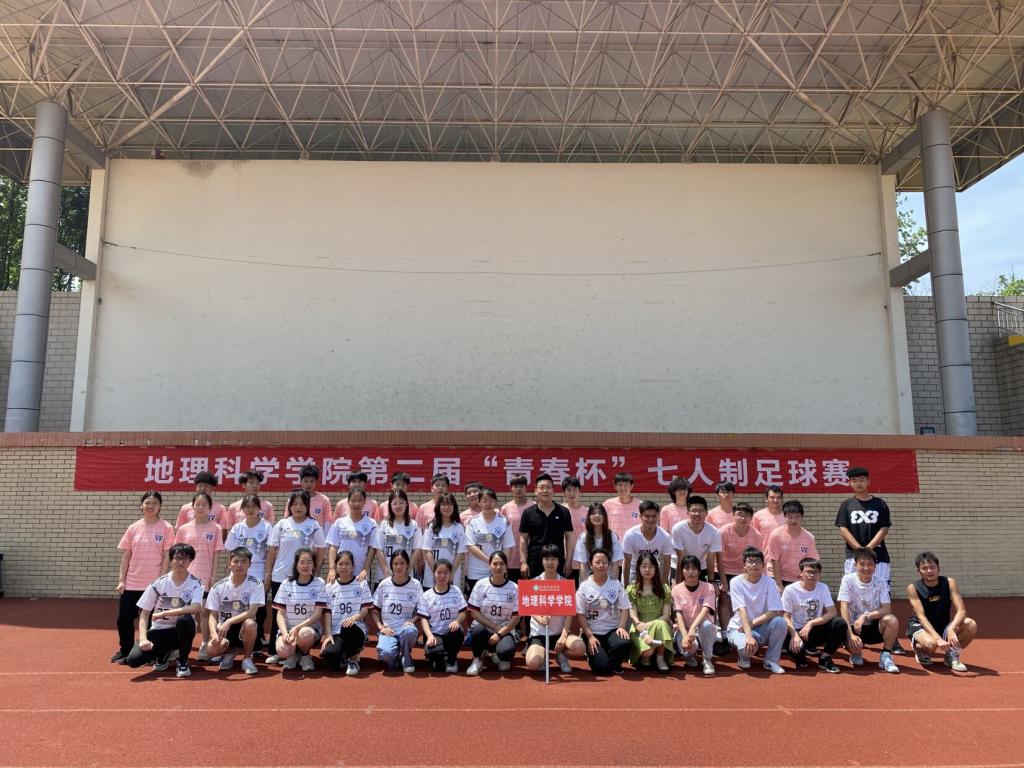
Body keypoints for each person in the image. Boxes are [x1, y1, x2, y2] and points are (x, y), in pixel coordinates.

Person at [112, 491, 174, 664]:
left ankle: (149, 653)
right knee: (124, 619)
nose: (150, 506)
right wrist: (122, 580)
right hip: (132, 582)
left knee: (150, 621)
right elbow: (126, 555)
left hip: (153, 584)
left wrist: (161, 580)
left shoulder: (166, 527)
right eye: (147, 503)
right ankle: (125, 649)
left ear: (160, 507)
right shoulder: (133, 528)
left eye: (154, 503)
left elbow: (167, 556)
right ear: (141, 506)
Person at [126, 542, 203, 678]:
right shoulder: (158, 583)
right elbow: (144, 614)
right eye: (177, 558)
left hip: (181, 632)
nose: (181, 562)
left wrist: (165, 613)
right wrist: (143, 639)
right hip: (159, 631)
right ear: (171, 560)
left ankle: (183, 660)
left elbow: (195, 607)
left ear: (190, 561)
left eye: (185, 558)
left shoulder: (196, 583)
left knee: (186, 620)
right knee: (133, 660)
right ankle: (163, 654)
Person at [265, 490, 326, 661]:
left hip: (304, 577)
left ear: (307, 506)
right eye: (294, 504)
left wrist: (316, 570)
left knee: (302, 614)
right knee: (279, 614)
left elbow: (321, 549)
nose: (298, 507)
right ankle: (276, 651)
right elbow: (272, 549)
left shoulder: (313, 525)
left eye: (302, 504)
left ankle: (301, 651)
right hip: (281, 576)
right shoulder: (282, 524)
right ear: (289, 506)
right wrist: (268, 573)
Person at [905, 551, 978, 672]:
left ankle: (951, 655)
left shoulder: (949, 583)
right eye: (924, 568)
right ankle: (920, 649)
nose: (929, 571)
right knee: (931, 644)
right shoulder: (913, 588)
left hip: (942, 624)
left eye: (932, 567)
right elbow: (921, 617)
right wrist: (938, 639)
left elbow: (961, 610)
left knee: (970, 624)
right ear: (918, 571)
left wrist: (951, 629)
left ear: (938, 568)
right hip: (920, 625)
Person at [173, 492, 224, 661]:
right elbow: (177, 554)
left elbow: (216, 555)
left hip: (204, 577)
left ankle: (204, 644)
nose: (201, 507)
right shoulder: (183, 529)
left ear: (210, 508)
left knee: (204, 613)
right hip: (185, 577)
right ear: (192, 507)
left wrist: (214, 576)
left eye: (204, 505)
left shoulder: (216, 528)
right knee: (183, 613)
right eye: (198, 504)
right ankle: (179, 646)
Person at [837, 548, 901, 673]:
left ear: (875, 566)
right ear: (855, 565)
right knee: (856, 648)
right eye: (862, 564)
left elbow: (887, 609)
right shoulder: (848, 580)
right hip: (855, 627)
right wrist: (850, 634)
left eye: (870, 564)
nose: (866, 568)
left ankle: (886, 655)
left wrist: (866, 616)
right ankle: (855, 653)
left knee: (892, 620)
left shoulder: (881, 582)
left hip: (873, 626)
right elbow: (844, 607)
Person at [224, 494, 274, 653]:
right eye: (247, 507)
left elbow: (271, 552)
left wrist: (268, 573)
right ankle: (236, 641)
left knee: (259, 608)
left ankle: (256, 642)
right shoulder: (237, 528)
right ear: (242, 509)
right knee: (239, 605)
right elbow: (230, 552)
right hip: (239, 571)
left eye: (254, 506)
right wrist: (228, 573)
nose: (251, 510)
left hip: (259, 571)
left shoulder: (267, 527)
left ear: (260, 508)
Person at [524, 544, 585, 674]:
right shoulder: (534, 582)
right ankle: (543, 656)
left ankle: (561, 655)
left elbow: (569, 614)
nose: (550, 563)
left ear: (559, 561)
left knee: (579, 647)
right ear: (542, 561)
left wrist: (563, 636)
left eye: (553, 559)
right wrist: (538, 618)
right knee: (533, 663)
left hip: (559, 633)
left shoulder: (566, 584)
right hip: (540, 634)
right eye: (546, 559)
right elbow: (528, 608)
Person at [726, 547, 788, 674]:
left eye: (758, 561)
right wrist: (748, 634)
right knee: (746, 648)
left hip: (759, 627)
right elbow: (741, 609)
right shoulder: (736, 582)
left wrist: (752, 624)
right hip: (738, 628)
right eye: (750, 561)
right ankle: (743, 657)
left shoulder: (769, 582)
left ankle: (771, 660)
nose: (754, 565)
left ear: (763, 565)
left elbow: (774, 611)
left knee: (780, 622)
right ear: (744, 565)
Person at [205, 546, 264, 675]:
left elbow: (252, 612)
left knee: (250, 623)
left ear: (250, 564)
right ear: (229, 564)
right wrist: (214, 634)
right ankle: (229, 651)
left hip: (243, 627)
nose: (239, 565)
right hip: (224, 629)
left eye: (243, 561)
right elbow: (212, 615)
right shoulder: (218, 587)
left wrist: (229, 621)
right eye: (236, 561)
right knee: (211, 650)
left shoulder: (256, 584)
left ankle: (247, 659)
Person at [781, 558, 845, 673]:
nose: (812, 575)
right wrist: (794, 635)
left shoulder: (823, 588)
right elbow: (785, 616)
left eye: (815, 572)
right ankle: (800, 658)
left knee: (839, 623)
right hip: (797, 631)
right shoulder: (790, 590)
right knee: (783, 630)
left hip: (815, 630)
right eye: (808, 572)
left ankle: (825, 658)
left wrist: (811, 623)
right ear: (801, 573)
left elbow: (832, 612)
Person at [575, 548, 631, 675]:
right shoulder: (584, 586)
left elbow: (625, 607)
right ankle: (596, 656)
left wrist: (621, 627)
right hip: (593, 633)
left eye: (605, 562)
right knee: (602, 669)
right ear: (590, 565)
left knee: (624, 643)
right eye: (598, 562)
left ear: (609, 565)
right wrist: (589, 636)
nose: (601, 565)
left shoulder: (615, 584)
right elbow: (580, 613)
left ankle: (615, 663)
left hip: (612, 630)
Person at [272, 548, 327, 672]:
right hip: (288, 629)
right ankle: (292, 656)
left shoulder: (319, 583)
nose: (305, 566)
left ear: (314, 565)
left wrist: (297, 628)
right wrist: (285, 633)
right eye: (302, 562)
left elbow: (318, 614)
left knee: (304, 634)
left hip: (310, 630)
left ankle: (305, 656)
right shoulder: (286, 583)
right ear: (296, 565)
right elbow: (280, 614)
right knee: (282, 650)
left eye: (309, 562)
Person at [320, 550, 373, 676]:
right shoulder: (330, 586)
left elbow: (365, 608)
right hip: (337, 631)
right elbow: (327, 613)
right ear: (336, 566)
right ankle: (344, 656)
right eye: (340, 564)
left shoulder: (361, 583)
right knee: (328, 654)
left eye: (347, 564)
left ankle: (353, 658)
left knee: (347, 626)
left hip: (355, 629)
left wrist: (355, 617)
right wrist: (328, 635)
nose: (344, 567)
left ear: (353, 567)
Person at [466, 551, 519, 676]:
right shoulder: (480, 585)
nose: (498, 567)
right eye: (495, 564)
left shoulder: (515, 588)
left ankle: (497, 653)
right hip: (484, 627)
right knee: (477, 630)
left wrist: (500, 634)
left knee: (505, 660)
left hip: (504, 629)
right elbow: (474, 613)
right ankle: (477, 659)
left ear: (506, 566)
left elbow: (515, 618)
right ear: (489, 565)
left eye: (502, 564)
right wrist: (495, 627)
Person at [372, 549, 423, 673]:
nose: (398, 567)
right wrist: (381, 628)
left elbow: (422, 609)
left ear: (407, 565)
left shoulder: (415, 585)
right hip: (389, 630)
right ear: (391, 565)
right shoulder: (384, 584)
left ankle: (406, 656)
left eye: (402, 563)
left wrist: (412, 620)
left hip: (405, 629)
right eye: (395, 563)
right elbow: (374, 610)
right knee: (386, 654)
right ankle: (395, 653)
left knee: (409, 631)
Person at [518, 473, 574, 579]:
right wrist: (523, 562)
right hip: (534, 562)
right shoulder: (528, 513)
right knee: (534, 588)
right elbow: (523, 539)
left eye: (548, 487)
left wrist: (569, 561)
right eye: (542, 487)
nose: (545, 490)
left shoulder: (564, 512)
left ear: (553, 491)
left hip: (557, 561)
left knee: (557, 588)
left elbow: (569, 537)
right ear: (535, 491)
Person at [417, 559, 468, 673]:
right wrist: (429, 636)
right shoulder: (427, 595)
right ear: (434, 573)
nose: (442, 576)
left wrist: (457, 621)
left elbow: (462, 613)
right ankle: (438, 657)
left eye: (445, 573)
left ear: (450, 574)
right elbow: (424, 619)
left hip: (451, 633)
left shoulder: (456, 591)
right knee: (436, 664)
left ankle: (452, 659)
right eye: (439, 572)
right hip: (435, 634)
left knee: (457, 632)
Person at [717, 502, 762, 631]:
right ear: (733, 515)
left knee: (742, 601)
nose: (743, 518)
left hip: (745, 572)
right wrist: (723, 580)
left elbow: (756, 558)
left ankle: (740, 629)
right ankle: (725, 632)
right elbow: (718, 558)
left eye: (746, 515)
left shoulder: (756, 535)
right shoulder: (723, 531)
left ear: (751, 518)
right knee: (724, 598)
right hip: (724, 569)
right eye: (739, 514)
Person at [626, 552, 674, 672]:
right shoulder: (632, 589)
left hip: (658, 625)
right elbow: (633, 616)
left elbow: (666, 616)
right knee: (647, 652)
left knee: (662, 624)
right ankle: (647, 655)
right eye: (644, 566)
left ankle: (660, 658)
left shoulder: (664, 589)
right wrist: (641, 627)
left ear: (656, 568)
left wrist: (648, 624)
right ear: (638, 568)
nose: (647, 570)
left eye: (651, 566)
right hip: (639, 628)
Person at [672, 555, 718, 675]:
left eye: (694, 568)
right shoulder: (676, 590)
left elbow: (705, 610)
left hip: (702, 627)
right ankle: (689, 656)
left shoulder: (708, 588)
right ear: (682, 570)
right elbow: (678, 614)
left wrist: (693, 627)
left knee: (707, 626)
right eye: (687, 568)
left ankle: (707, 660)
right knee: (690, 646)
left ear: (699, 571)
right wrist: (685, 635)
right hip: (684, 628)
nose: (690, 572)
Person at [465, 487, 515, 593]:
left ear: (496, 502)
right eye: (484, 501)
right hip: (476, 570)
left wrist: (500, 565)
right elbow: (470, 546)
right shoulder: (472, 522)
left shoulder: (503, 522)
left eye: (491, 501)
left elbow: (507, 546)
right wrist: (490, 561)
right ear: (479, 503)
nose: (488, 504)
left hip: (498, 569)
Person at [325, 487, 378, 585]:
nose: (356, 504)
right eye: (353, 501)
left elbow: (372, 549)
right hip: (341, 572)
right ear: (348, 502)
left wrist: (365, 569)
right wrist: (332, 569)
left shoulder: (371, 523)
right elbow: (333, 547)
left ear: (364, 502)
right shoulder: (339, 522)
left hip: (360, 574)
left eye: (360, 501)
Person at [764, 500, 819, 591]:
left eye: (797, 517)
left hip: (799, 578)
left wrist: (815, 584)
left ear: (802, 517)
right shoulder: (776, 535)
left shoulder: (809, 537)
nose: (794, 520)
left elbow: (812, 562)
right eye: (790, 517)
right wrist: (779, 584)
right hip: (778, 576)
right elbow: (774, 561)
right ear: (784, 517)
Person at [373, 489, 424, 585]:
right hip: (385, 575)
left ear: (406, 504)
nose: (398, 506)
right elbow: (379, 549)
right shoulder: (384, 525)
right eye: (395, 503)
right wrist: (386, 570)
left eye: (401, 503)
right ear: (390, 506)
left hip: (406, 575)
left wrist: (408, 570)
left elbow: (416, 550)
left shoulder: (413, 525)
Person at [670, 494, 722, 584]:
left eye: (701, 510)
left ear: (706, 513)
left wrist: (711, 581)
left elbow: (710, 559)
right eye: (694, 511)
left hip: (701, 567)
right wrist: (678, 583)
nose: (697, 514)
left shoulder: (714, 532)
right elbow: (681, 557)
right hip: (680, 566)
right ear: (687, 512)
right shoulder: (678, 529)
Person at [420, 492, 467, 590]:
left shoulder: (459, 527)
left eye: (449, 504)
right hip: (432, 576)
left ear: (454, 507)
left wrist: (451, 573)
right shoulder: (431, 527)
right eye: (443, 504)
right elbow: (427, 551)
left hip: (452, 576)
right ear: (438, 507)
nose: (446, 507)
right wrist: (436, 572)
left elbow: (460, 553)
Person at [621, 500, 672, 584]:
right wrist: (626, 585)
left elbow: (667, 560)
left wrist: (664, 583)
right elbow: (627, 560)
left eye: (654, 516)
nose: (650, 519)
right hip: (634, 570)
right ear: (640, 516)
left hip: (654, 570)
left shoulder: (665, 536)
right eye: (647, 516)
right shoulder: (630, 534)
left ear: (658, 516)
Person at [572, 503, 624, 580]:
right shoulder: (583, 537)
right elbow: (583, 565)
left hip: (608, 579)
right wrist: (585, 584)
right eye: (593, 513)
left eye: (600, 513)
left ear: (604, 517)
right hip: (590, 579)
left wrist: (613, 584)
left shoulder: (612, 536)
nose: (597, 516)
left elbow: (615, 564)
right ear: (589, 517)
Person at [499, 475, 530, 580]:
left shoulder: (533, 506)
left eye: (521, 486)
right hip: (510, 557)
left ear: (526, 488)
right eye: (515, 486)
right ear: (511, 488)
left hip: (529, 557)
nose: (518, 489)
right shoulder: (505, 508)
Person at [603, 472, 643, 542]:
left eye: (626, 485)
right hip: (613, 545)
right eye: (620, 485)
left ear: (631, 486)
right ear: (615, 486)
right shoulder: (607, 504)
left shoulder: (640, 505)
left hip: (634, 545)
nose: (623, 488)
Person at [291, 463, 333, 530]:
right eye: (306, 481)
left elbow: (327, 522)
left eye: (311, 481)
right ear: (301, 481)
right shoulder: (292, 500)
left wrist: (324, 537)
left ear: (316, 482)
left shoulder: (324, 500)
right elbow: (287, 520)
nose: (308, 484)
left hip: (317, 535)